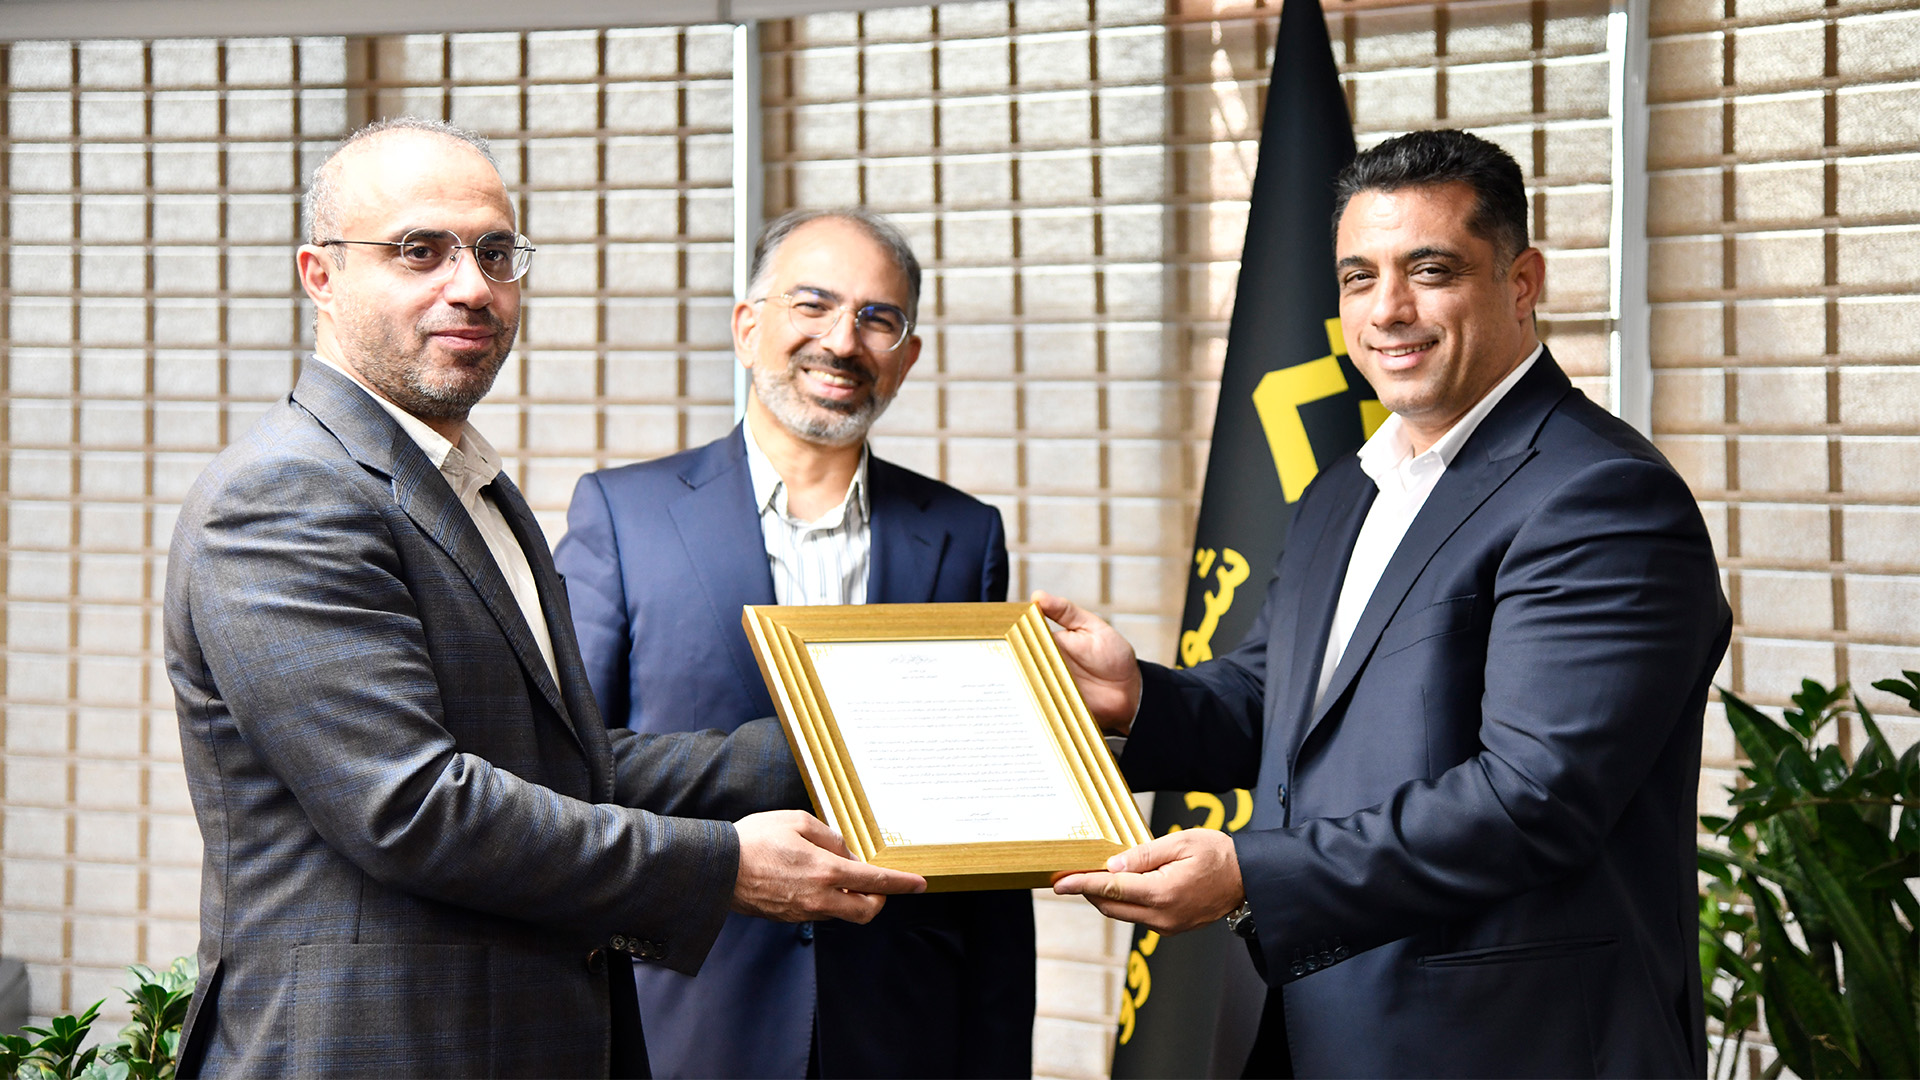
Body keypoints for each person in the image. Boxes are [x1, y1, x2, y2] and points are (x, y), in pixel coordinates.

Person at [164, 118, 923, 1079]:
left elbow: (567, 764)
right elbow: (413, 806)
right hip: (377, 1051)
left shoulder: (471, 487)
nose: (471, 286)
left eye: (495, 253)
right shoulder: (284, 493)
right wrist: (724, 865)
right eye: (419, 250)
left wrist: (860, 738)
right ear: (321, 274)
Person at [1041, 129, 1731, 1076]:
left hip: (1498, 1045)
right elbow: (1280, 700)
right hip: (1306, 1024)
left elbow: (1531, 797)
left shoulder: (1602, 496)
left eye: (1431, 270)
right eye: (1358, 278)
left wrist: (1249, 876)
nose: (1388, 310)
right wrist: (1138, 699)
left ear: (1522, 282)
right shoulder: (1344, 488)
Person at [554, 208, 1033, 1078]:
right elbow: (562, 762)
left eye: (877, 318)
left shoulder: (965, 536)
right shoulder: (624, 516)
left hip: (903, 1027)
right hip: (685, 1016)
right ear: (747, 327)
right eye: (812, 305)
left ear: (907, 358)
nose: (842, 341)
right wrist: (788, 761)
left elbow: (988, 836)